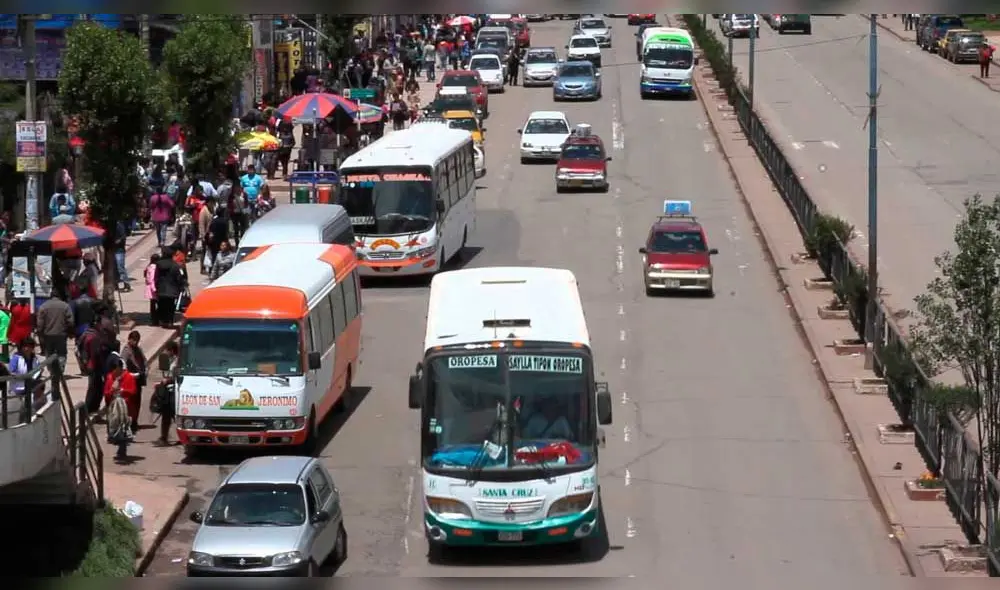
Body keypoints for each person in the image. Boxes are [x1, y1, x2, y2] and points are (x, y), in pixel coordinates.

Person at [103, 354, 137, 460]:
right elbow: (106, 393)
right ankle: (119, 446)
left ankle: (122, 450)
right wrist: (112, 391)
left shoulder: (129, 377)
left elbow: (133, 391)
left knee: (123, 429)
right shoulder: (110, 378)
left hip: (126, 409)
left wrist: (123, 391)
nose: (114, 372)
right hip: (113, 409)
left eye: (116, 369)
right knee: (114, 430)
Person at [35, 289, 74, 373]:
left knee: (49, 353)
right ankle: (61, 369)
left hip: (48, 335)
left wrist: (40, 334)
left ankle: (51, 371)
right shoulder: (65, 306)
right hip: (61, 334)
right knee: (62, 353)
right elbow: (70, 321)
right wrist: (70, 332)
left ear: (50, 296)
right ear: (59, 296)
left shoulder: (43, 306)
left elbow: (40, 323)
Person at [119, 330, 147, 434]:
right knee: (130, 402)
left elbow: (143, 360)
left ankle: (134, 421)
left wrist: (144, 371)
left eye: (137, 341)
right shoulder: (126, 350)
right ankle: (129, 422)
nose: (135, 343)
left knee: (137, 401)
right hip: (130, 379)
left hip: (138, 378)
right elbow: (122, 364)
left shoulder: (138, 349)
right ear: (129, 339)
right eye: (134, 340)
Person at [153, 340, 180, 446]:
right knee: (167, 415)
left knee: (172, 415)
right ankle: (164, 437)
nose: (165, 352)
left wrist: (167, 381)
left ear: (172, 350)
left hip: (174, 392)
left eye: (167, 350)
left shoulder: (178, 361)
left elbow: (177, 376)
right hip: (168, 391)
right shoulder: (171, 360)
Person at [154, 247, 186, 328]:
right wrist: (182, 286)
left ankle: (162, 320)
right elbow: (178, 278)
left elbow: (155, 277)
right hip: (172, 289)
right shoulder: (175, 265)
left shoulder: (158, 264)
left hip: (161, 289)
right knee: (171, 307)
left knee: (161, 305)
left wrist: (156, 286)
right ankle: (169, 322)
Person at [206, 206, 229, 273]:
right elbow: (226, 233)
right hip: (222, 242)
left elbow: (210, 232)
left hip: (214, 242)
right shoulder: (224, 222)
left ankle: (213, 270)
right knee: (223, 256)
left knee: (214, 257)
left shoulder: (213, 221)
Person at [197, 199, 215, 274]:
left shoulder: (212, 209)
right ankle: (202, 268)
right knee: (204, 252)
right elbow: (201, 224)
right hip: (205, 235)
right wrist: (203, 236)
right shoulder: (203, 211)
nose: (212, 204)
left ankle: (210, 267)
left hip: (211, 234)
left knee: (210, 251)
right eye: (211, 203)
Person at [114, 220, 132, 291]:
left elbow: (123, 236)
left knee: (120, 267)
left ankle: (126, 284)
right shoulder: (109, 226)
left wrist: (117, 241)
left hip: (119, 250)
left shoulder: (119, 225)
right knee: (114, 268)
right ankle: (115, 284)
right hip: (113, 250)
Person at [145, 253, 159, 325]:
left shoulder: (149, 266)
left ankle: (154, 320)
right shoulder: (154, 268)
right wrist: (155, 289)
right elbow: (152, 279)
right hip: (153, 289)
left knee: (152, 305)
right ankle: (155, 320)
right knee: (157, 305)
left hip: (150, 289)